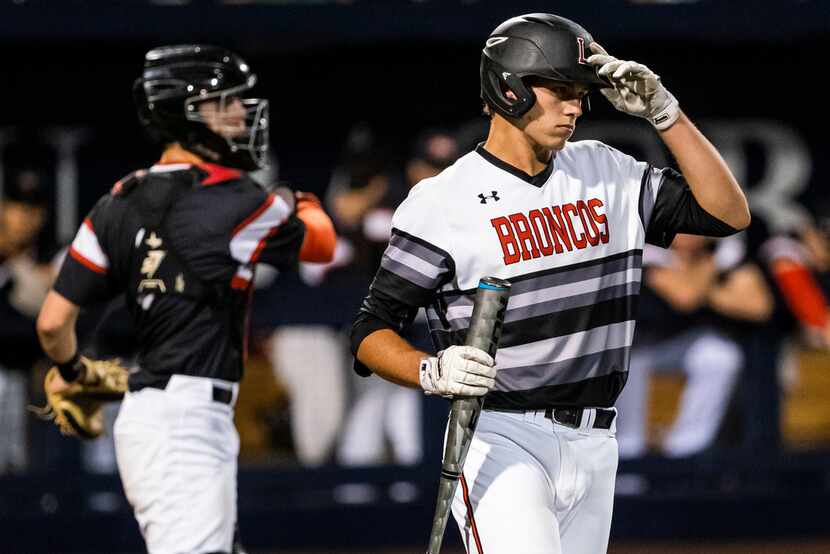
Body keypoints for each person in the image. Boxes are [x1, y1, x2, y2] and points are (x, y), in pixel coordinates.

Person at [349, 13, 749, 554]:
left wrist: (666, 113)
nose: (576, 106)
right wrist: (430, 369)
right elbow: (370, 331)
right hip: (501, 434)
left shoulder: (607, 171)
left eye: (581, 92)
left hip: (598, 439)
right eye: (560, 89)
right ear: (508, 88)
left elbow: (726, 213)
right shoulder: (442, 202)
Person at [35, 45, 335, 554]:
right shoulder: (237, 200)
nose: (242, 114)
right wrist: (294, 199)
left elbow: (51, 322)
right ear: (186, 113)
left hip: (159, 418)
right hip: (186, 427)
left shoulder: (118, 202)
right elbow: (321, 244)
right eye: (226, 102)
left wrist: (73, 372)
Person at [0, 170, 51, 474]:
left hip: (26, 377)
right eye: (17, 207)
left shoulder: (51, 255)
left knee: (21, 470)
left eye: (32, 210)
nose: (24, 217)